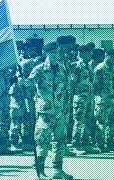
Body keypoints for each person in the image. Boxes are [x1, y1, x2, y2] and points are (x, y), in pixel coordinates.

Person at [26, 42, 73, 180]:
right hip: (45, 112)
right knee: (42, 141)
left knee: (59, 141)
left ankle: (58, 170)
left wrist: (65, 109)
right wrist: (23, 82)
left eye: (57, 52)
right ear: (47, 53)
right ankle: (39, 171)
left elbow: (65, 90)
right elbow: (30, 82)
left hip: (59, 112)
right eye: (53, 53)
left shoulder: (62, 69)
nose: (55, 55)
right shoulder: (40, 69)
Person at [71, 44, 100, 154]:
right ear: (81, 54)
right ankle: (76, 144)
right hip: (80, 98)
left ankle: (86, 143)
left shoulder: (88, 66)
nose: (90, 55)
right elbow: (72, 83)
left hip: (89, 98)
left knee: (88, 121)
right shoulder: (76, 66)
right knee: (78, 121)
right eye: (88, 53)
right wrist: (71, 98)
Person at [93, 49, 114, 152]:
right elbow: (95, 85)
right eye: (112, 56)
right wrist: (100, 97)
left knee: (112, 122)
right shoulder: (100, 68)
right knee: (101, 122)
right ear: (106, 56)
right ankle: (100, 143)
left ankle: (110, 141)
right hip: (103, 99)